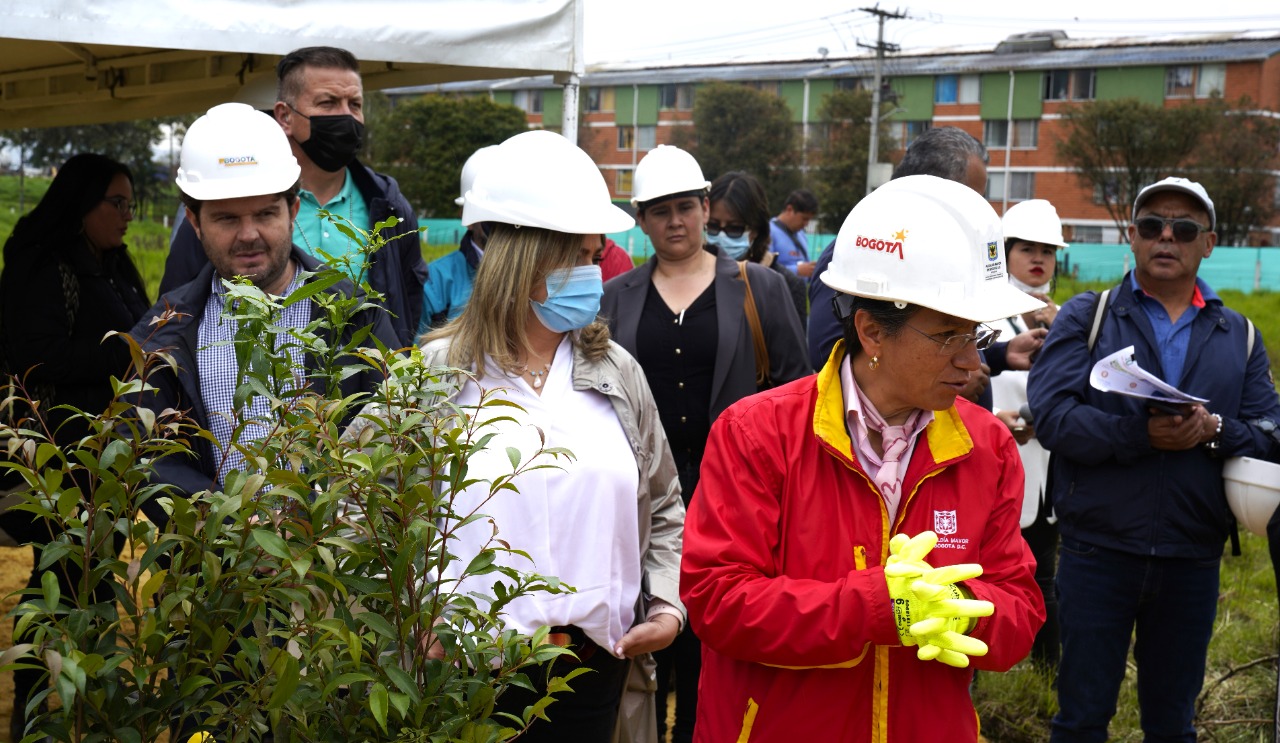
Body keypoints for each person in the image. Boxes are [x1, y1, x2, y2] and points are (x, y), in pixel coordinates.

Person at [680, 174, 1046, 742]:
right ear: (872, 331)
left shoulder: (986, 446)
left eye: (977, 334)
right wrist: (876, 606)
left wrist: (957, 606)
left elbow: (1020, 606)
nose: (972, 362)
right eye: (949, 335)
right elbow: (718, 599)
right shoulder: (759, 432)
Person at [392, 129, 684, 742]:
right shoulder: (435, 379)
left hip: (595, 670)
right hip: (466, 674)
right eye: (577, 257)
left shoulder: (616, 374)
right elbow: (362, 510)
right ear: (523, 263)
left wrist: (665, 605)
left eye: (594, 255)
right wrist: (404, 621)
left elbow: (662, 506)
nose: (592, 272)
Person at [1027, 177, 1280, 742]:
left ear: (1208, 243)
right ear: (1133, 239)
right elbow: (1054, 418)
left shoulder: (1237, 334)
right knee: (1081, 719)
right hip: (1097, 552)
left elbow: (1268, 433)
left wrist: (1212, 430)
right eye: (1152, 226)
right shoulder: (1087, 317)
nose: (1167, 237)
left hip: (1192, 558)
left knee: (1172, 725)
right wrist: (1141, 436)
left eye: (1184, 229)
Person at [599, 145, 809, 743]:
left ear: (706, 205)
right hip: (643, 503)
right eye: (660, 210)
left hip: (737, 499)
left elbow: (798, 390)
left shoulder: (759, 288)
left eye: (686, 207)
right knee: (643, 642)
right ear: (641, 220)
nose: (676, 221)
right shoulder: (617, 298)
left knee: (713, 653)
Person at [132, 102, 399, 514]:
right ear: (194, 221)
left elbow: (394, 438)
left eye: (265, 213)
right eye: (226, 219)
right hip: (213, 569)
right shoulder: (163, 335)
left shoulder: (354, 314)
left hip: (336, 566)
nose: (249, 234)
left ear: (292, 210)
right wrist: (232, 534)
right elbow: (153, 463)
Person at [0, 153, 152, 740]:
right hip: (54, 456)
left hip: (99, 459)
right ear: (81, 203)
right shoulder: (44, 266)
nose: (127, 216)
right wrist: (130, 350)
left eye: (130, 205)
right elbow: (39, 357)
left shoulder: (109, 264)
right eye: (117, 203)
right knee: (61, 581)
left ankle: (79, 706)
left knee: (85, 579)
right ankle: (34, 714)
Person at [160, 46, 428, 348]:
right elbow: (178, 308)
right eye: (328, 103)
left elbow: (408, 303)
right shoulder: (226, 201)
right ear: (284, 116)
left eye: (354, 104)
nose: (346, 117)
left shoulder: (388, 204)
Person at [806, 127, 1044, 408]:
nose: (977, 209)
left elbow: (918, 341)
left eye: (975, 332)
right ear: (930, 190)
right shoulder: (864, 253)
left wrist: (1000, 354)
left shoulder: (945, 256)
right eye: (972, 196)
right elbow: (832, 354)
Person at [989, 198, 1067, 669]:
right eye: (1027, 249)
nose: (1039, 259)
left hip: (1047, 471)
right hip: (998, 464)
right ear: (1005, 251)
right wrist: (999, 416)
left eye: (1048, 251)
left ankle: (1046, 674)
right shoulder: (984, 313)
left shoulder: (1067, 319)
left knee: (1045, 577)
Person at [418, 144, 500, 334]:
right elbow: (414, 355)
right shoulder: (436, 281)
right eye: (490, 213)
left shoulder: (540, 277)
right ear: (466, 217)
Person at [708, 171, 807, 325]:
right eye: (712, 226)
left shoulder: (785, 285)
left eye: (734, 229)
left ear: (755, 230)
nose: (721, 236)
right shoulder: (691, 277)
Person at [768, 188, 818, 277]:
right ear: (789, 209)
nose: (806, 224)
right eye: (804, 218)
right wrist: (797, 270)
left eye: (809, 220)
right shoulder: (768, 232)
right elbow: (764, 268)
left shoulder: (801, 234)